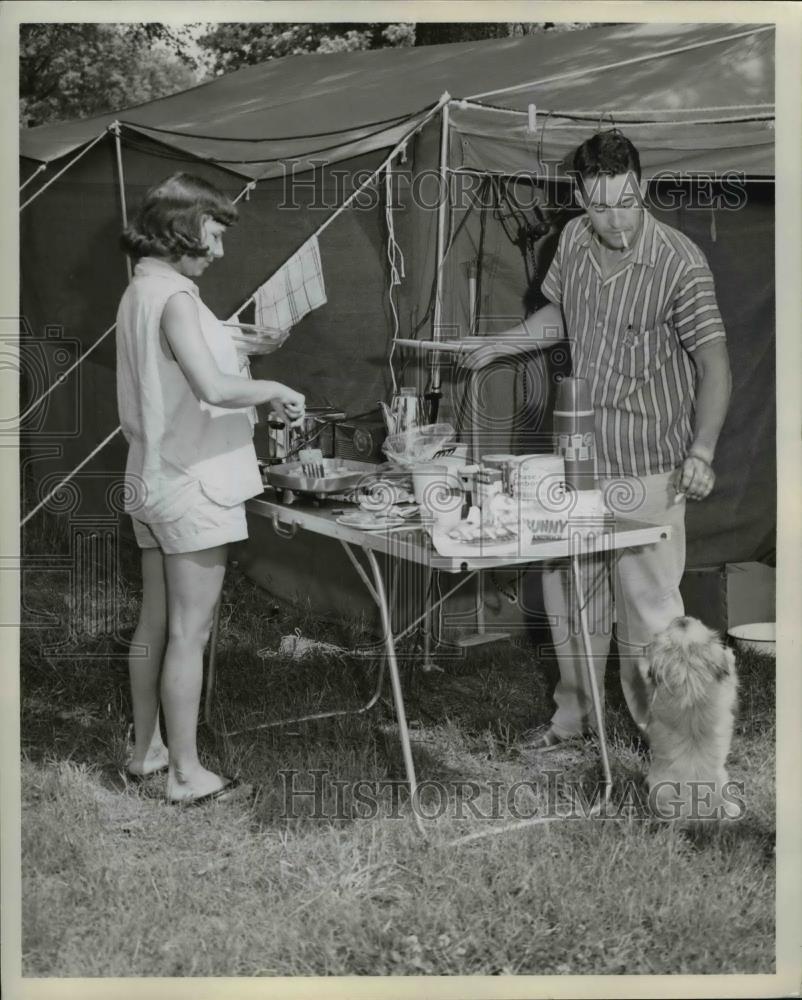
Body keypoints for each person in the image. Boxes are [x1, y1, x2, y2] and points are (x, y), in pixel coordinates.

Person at [465, 131, 732, 750]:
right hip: (578, 463)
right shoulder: (574, 240)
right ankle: (573, 719)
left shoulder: (679, 261)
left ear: (642, 186)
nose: (613, 220)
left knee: (650, 614)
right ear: (580, 197)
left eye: (625, 201)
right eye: (598, 204)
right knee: (570, 601)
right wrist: (498, 347)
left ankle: (671, 746)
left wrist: (702, 451)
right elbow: (560, 314)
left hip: (649, 469)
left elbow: (715, 363)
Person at [116, 173, 305, 803]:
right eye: (214, 233)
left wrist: (233, 340)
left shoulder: (143, 289)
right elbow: (213, 390)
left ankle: (147, 752)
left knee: (155, 623)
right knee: (190, 633)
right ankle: (187, 773)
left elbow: (177, 363)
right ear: (183, 226)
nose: (219, 250)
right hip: (192, 481)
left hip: (151, 476)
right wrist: (276, 388)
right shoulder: (174, 299)